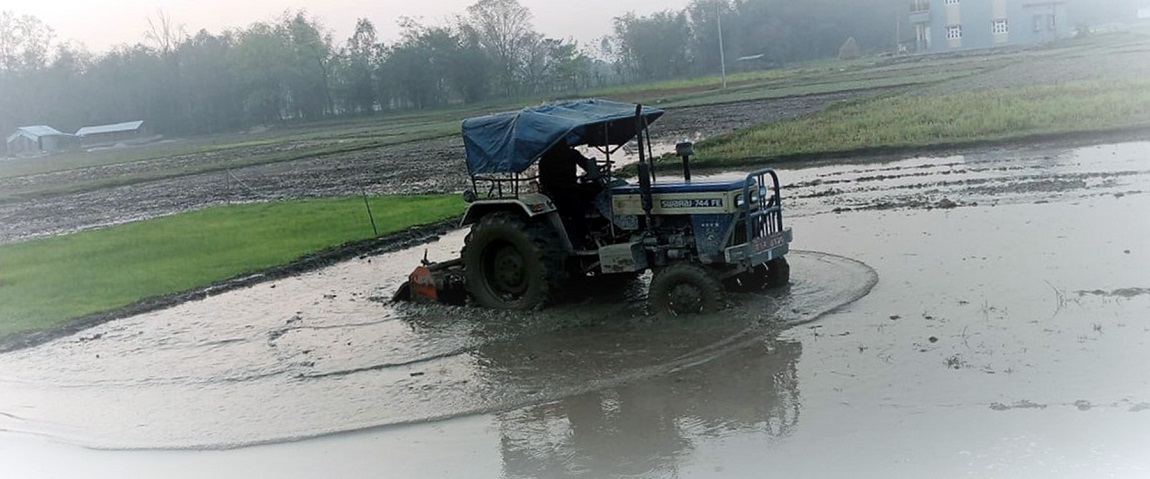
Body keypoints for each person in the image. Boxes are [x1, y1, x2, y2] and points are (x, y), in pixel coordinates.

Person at [538, 144, 602, 246]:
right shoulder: (547, 158)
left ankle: (599, 226)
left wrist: (593, 169)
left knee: (596, 189)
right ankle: (583, 235)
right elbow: (544, 181)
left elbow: (586, 164)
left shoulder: (571, 153)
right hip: (559, 192)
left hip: (571, 187)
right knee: (577, 203)